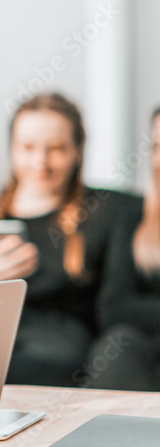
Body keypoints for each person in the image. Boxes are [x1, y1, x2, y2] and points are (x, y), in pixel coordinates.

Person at [0, 93, 138, 387]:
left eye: (56, 148)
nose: (40, 162)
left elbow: (115, 308)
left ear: (78, 151)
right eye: (28, 147)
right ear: (12, 149)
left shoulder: (108, 211)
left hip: (65, 358)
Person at [84, 107, 160, 390]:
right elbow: (114, 307)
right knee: (118, 345)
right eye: (156, 146)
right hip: (145, 350)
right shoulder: (134, 217)